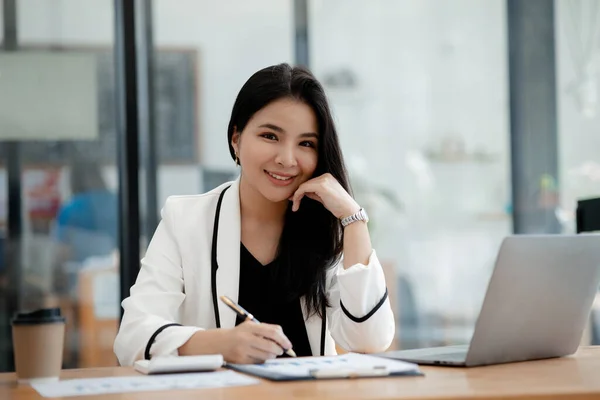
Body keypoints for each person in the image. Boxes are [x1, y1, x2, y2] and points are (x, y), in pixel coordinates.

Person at [114, 63, 395, 365]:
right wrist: (218, 344)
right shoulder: (186, 219)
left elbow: (369, 341)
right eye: (270, 136)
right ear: (236, 138)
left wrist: (353, 218)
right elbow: (132, 338)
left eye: (306, 143)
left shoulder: (326, 224)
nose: (287, 159)